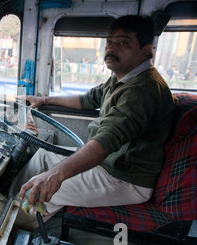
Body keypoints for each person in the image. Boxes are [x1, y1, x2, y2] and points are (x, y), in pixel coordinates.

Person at [17, 15, 178, 228]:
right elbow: (86, 100)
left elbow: (105, 142)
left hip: (124, 178)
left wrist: (55, 175)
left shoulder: (142, 90)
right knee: (42, 156)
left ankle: (7, 231)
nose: (111, 49)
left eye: (123, 43)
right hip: (109, 162)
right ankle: (10, 203)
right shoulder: (121, 78)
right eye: (109, 42)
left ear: (145, 50)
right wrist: (44, 99)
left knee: (40, 191)